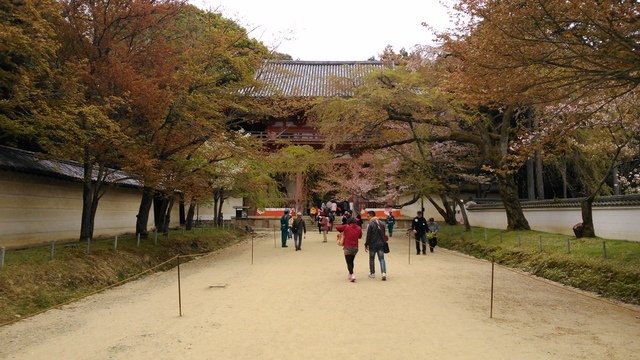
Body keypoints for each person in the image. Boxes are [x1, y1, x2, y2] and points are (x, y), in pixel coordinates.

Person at [336, 217, 362, 282]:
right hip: (355, 247)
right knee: (351, 261)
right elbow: (360, 236)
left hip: (347, 247)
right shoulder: (359, 228)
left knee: (348, 262)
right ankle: (350, 274)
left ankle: (352, 274)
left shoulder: (346, 227)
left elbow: (337, 227)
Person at [365, 210, 388, 281]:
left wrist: (366, 244)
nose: (367, 218)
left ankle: (372, 273)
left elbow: (368, 235)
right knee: (382, 259)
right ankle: (383, 273)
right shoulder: (381, 223)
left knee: (372, 259)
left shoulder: (370, 224)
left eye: (368, 216)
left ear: (372, 216)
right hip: (381, 244)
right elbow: (384, 234)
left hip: (372, 244)